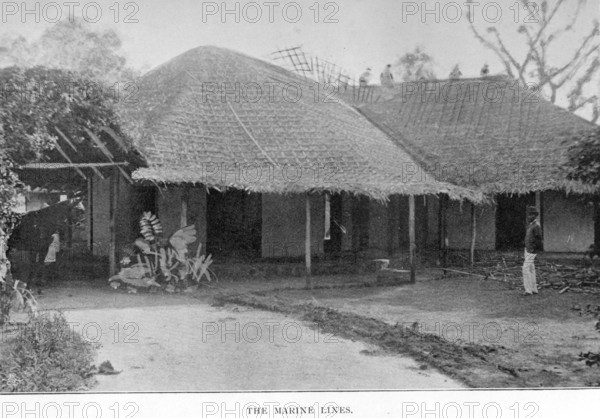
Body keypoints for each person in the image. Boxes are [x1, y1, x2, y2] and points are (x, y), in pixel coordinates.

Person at [523, 206, 543, 296]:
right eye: (529, 214)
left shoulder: (536, 226)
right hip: (527, 249)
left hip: (531, 250)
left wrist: (534, 248)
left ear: (535, 216)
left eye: (532, 215)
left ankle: (528, 290)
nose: (529, 216)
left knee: (525, 268)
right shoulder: (531, 225)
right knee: (531, 269)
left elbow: (539, 239)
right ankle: (534, 289)